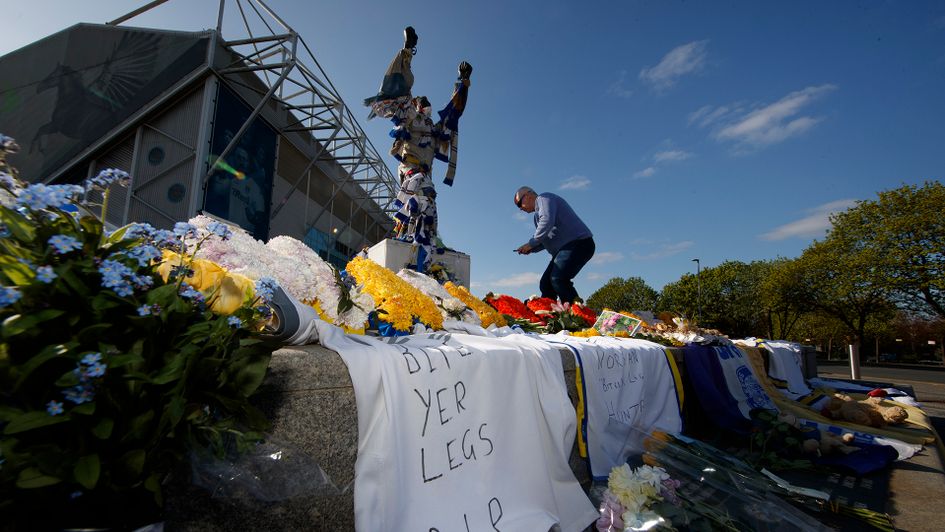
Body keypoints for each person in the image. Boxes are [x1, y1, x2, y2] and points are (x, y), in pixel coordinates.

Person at [364, 26, 472, 267]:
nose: (426, 106)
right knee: (425, 197)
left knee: (424, 204)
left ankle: (415, 237)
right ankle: (417, 239)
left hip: (425, 172)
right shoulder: (409, 116)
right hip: (410, 167)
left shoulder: (434, 128)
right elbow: (398, 87)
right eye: (422, 103)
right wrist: (407, 51)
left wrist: (463, 83)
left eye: (428, 104)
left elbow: (453, 114)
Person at [514, 186, 595, 303]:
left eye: (519, 204)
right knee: (546, 284)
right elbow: (545, 240)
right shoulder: (537, 216)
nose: (520, 208)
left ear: (528, 195)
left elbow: (546, 222)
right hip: (564, 250)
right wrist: (530, 249)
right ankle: (549, 314)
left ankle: (577, 314)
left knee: (558, 278)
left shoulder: (544, 198)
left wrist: (530, 244)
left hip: (578, 243)